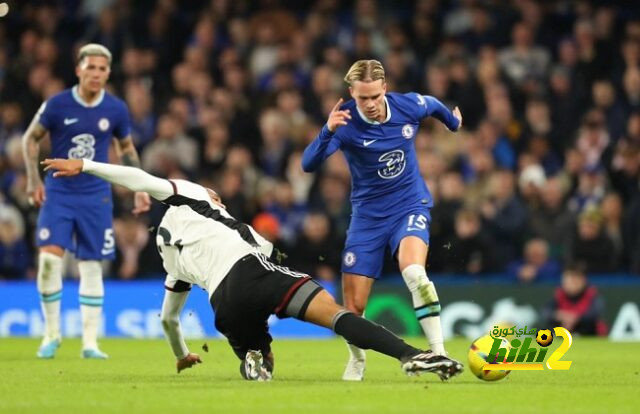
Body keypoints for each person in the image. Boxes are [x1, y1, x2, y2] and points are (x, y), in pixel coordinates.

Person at [41, 157, 464, 381]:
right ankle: (412, 356)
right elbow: (140, 179)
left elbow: (169, 319)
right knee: (338, 316)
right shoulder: (194, 197)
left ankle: (251, 358)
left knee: (256, 348)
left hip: (223, 303)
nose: (218, 195)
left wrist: (182, 354)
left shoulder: (172, 261)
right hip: (253, 269)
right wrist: (90, 165)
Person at [301, 59, 463, 380]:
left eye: (375, 96)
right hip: (367, 219)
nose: (371, 104)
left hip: (409, 205)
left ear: (384, 88)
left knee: (414, 271)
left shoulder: (407, 105)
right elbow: (309, 164)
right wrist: (326, 130)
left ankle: (440, 354)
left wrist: (453, 123)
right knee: (354, 307)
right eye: (363, 98)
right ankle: (357, 360)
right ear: (352, 93)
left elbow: (432, 105)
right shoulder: (344, 123)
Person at [21, 44, 151, 359]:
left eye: (102, 69)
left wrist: (140, 185)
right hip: (60, 194)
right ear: (79, 69)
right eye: (90, 67)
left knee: (92, 266)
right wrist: (33, 179)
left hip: (96, 195)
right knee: (50, 260)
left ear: (108, 73)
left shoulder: (116, 109)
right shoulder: (57, 104)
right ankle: (50, 335)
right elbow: (30, 138)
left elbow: (126, 148)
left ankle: (90, 343)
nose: (96, 74)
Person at [541, 262, 608, 336]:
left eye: (574, 280)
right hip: (563, 333)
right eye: (567, 280)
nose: (570, 284)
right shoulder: (559, 295)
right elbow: (545, 313)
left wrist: (575, 318)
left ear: (583, 280)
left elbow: (595, 314)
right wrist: (560, 316)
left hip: (589, 334)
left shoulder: (592, 294)